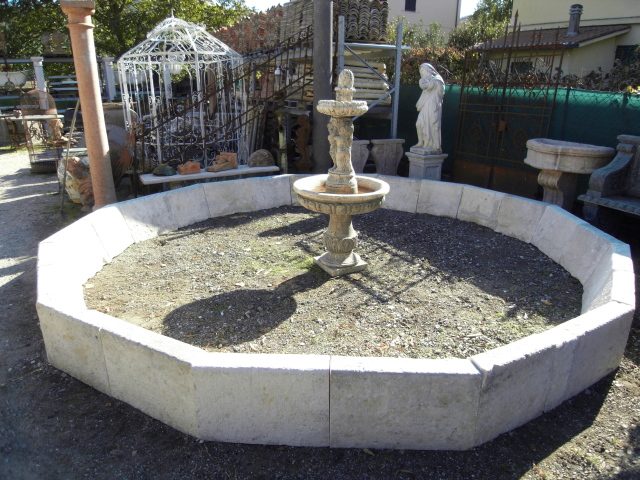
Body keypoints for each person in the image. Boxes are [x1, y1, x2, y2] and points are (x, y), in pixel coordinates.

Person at [414, 63, 445, 152]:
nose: (421, 72)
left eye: (422, 70)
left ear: (428, 70)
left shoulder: (437, 80)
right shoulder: (425, 80)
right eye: (420, 71)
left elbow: (439, 91)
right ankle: (421, 142)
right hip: (425, 105)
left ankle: (432, 144)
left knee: (431, 124)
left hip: (433, 105)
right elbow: (424, 86)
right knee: (419, 123)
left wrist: (427, 83)